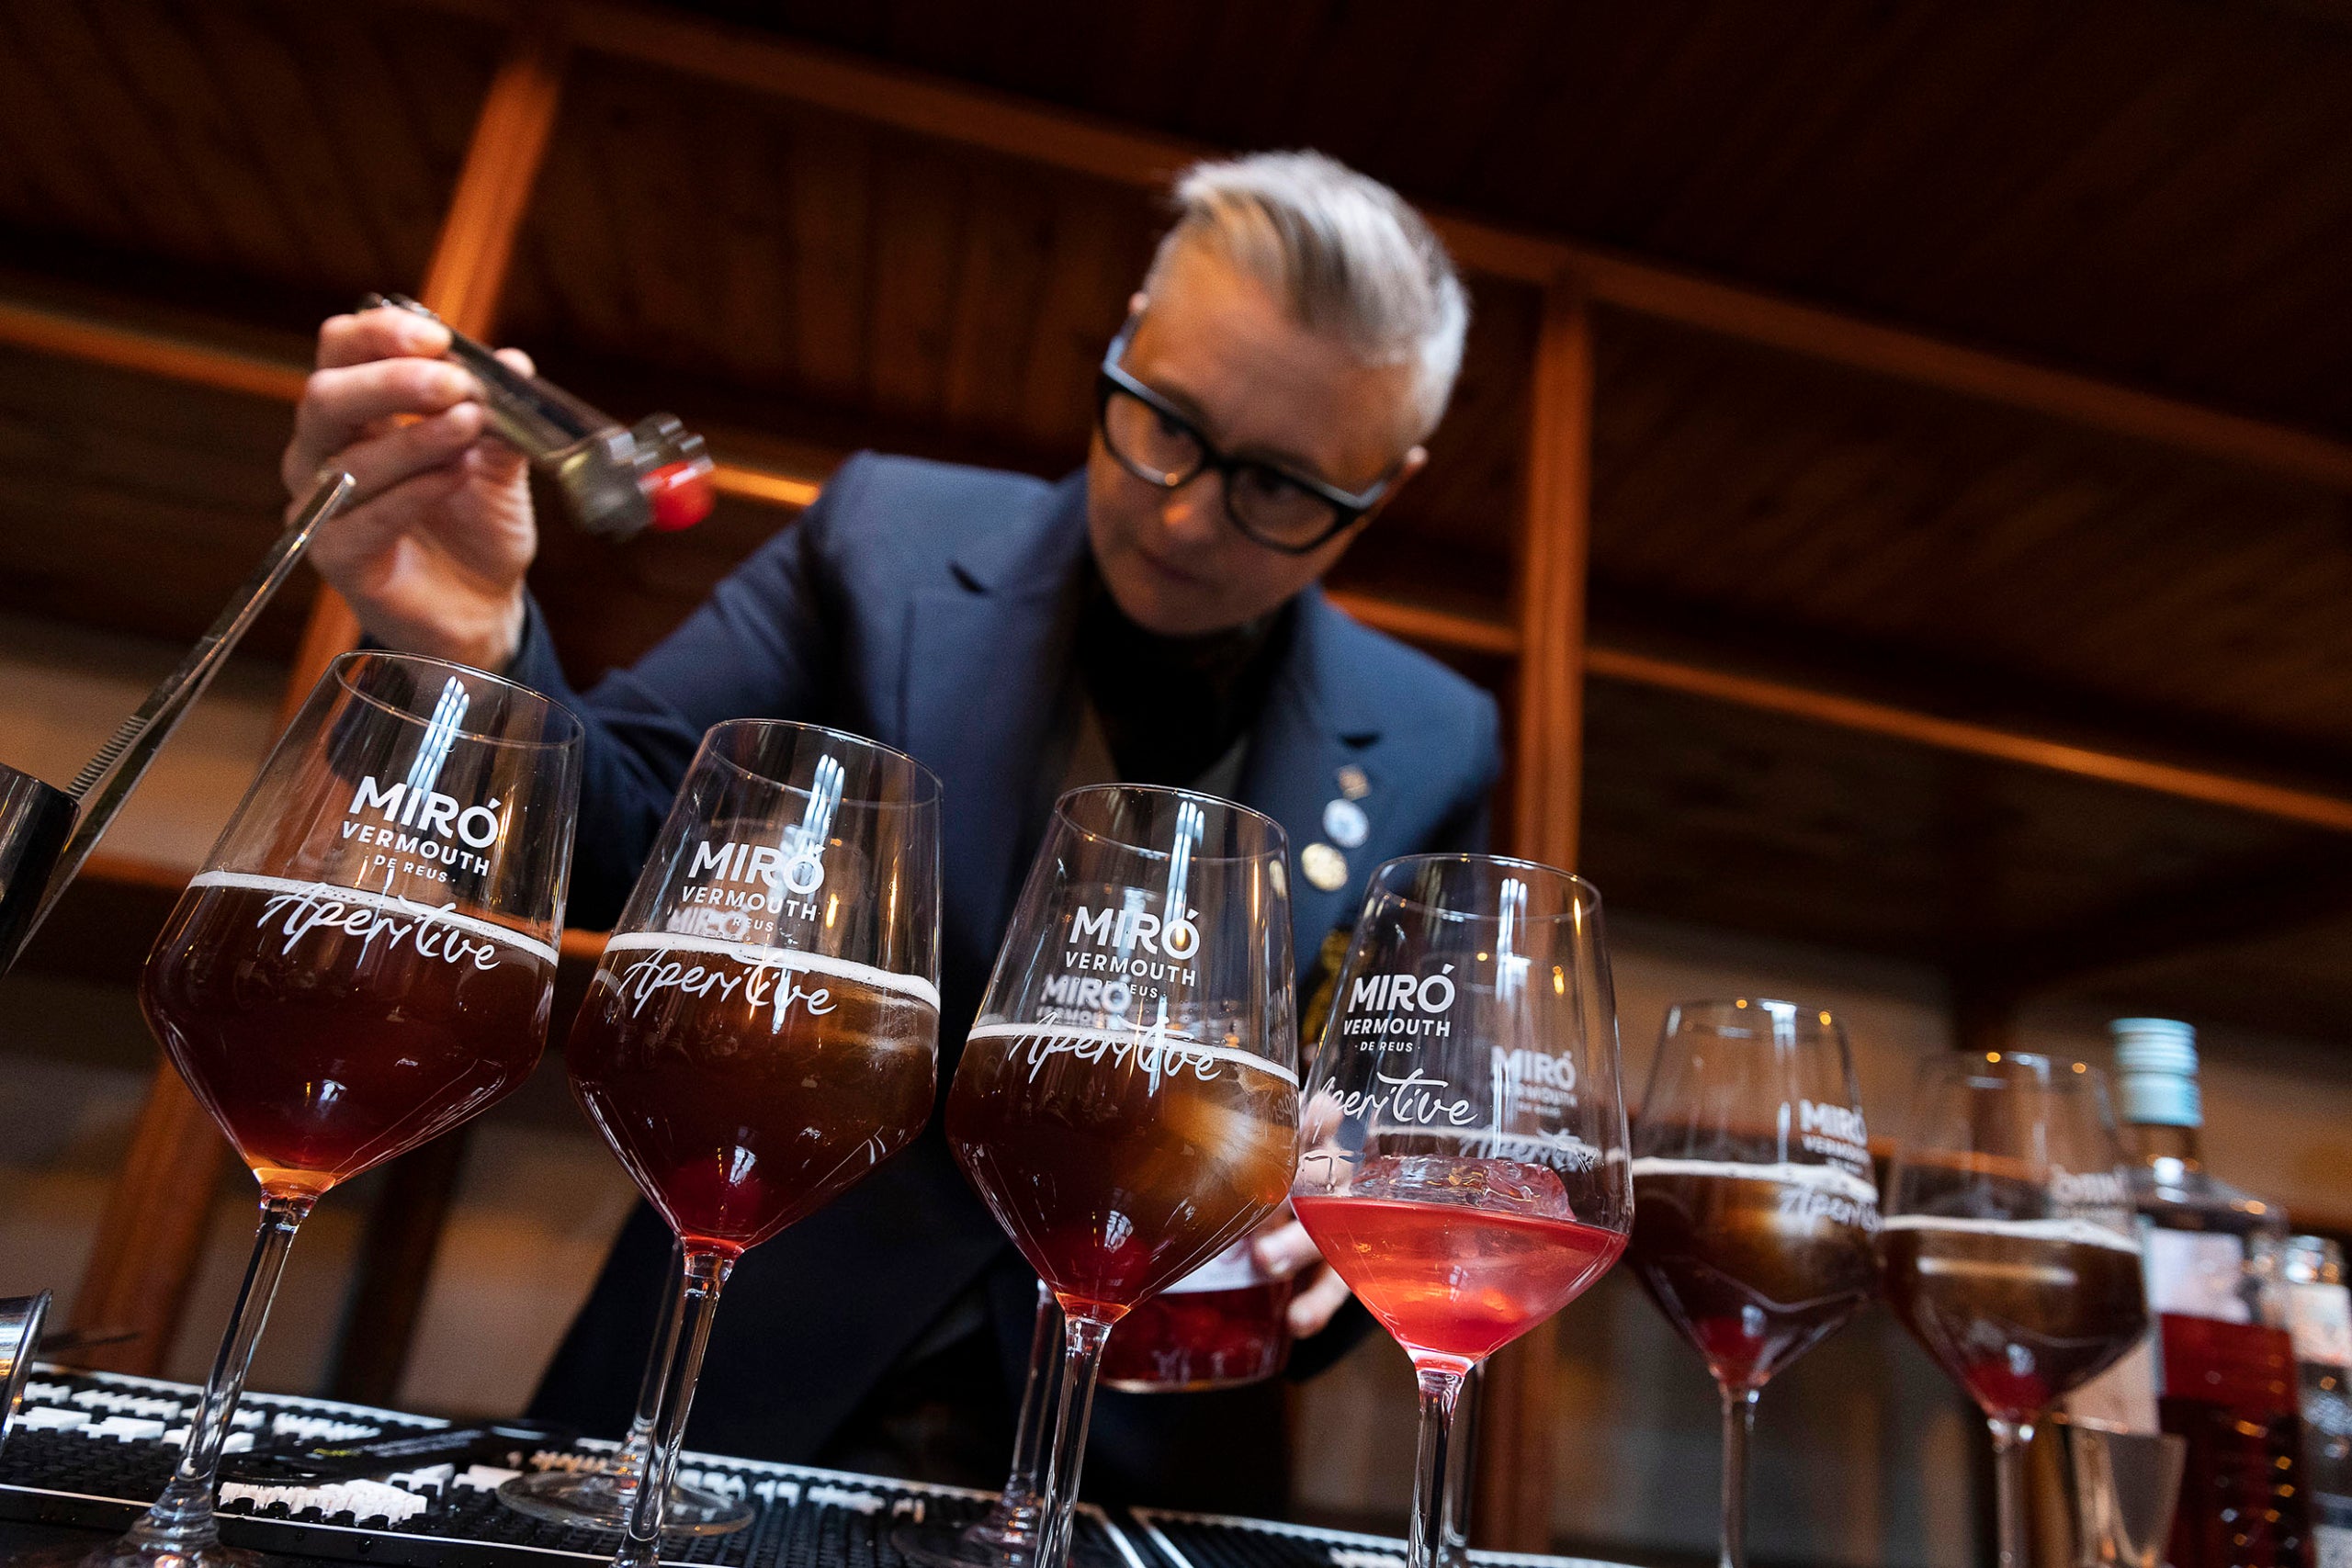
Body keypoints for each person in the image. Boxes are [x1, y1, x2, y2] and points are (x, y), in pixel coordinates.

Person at [279, 150, 1497, 1512]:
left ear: (1384, 485)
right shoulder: (883, 537)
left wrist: (1353, 1233)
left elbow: (1398, 1126)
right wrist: (474, 640)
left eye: (1280, 488)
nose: (1183, 511)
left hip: (1138, 1467)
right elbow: (614, 838)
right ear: (1129, 334)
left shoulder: (1438, 737)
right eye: (1162, 418)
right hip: (734, 1382)